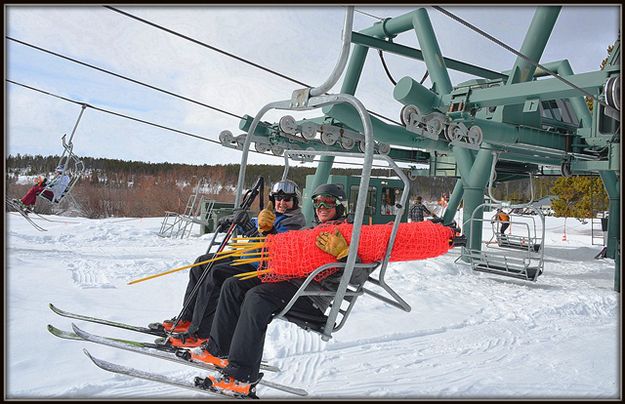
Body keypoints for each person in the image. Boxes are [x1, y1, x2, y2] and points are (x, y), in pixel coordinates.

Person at [186, 183, 376, 397]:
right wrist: (265, 233)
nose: (322, 206)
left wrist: (345, 254)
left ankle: (242, 375)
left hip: (311, 296)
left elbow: (360, 275)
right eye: (317, 202)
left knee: (257, 298)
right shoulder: (310, 231)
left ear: (341, 206)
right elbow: (279, 253)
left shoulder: (351, 234)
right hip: (289, 283)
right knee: (234, 285)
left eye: (328, 202)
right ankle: (218, 349)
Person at [152, 179, 307, 348]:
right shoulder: (271, 214)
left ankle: (201, 332)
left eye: (287, 199)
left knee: (216, 274)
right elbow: (252, 226)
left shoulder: (294, 222)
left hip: (261, 267)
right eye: (278, 198)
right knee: (201, 264)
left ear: (295, 202)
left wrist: (256, 230)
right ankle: (188, 319)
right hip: (247, 257)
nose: (282, 203)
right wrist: (236, 221)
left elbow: (275, 246)